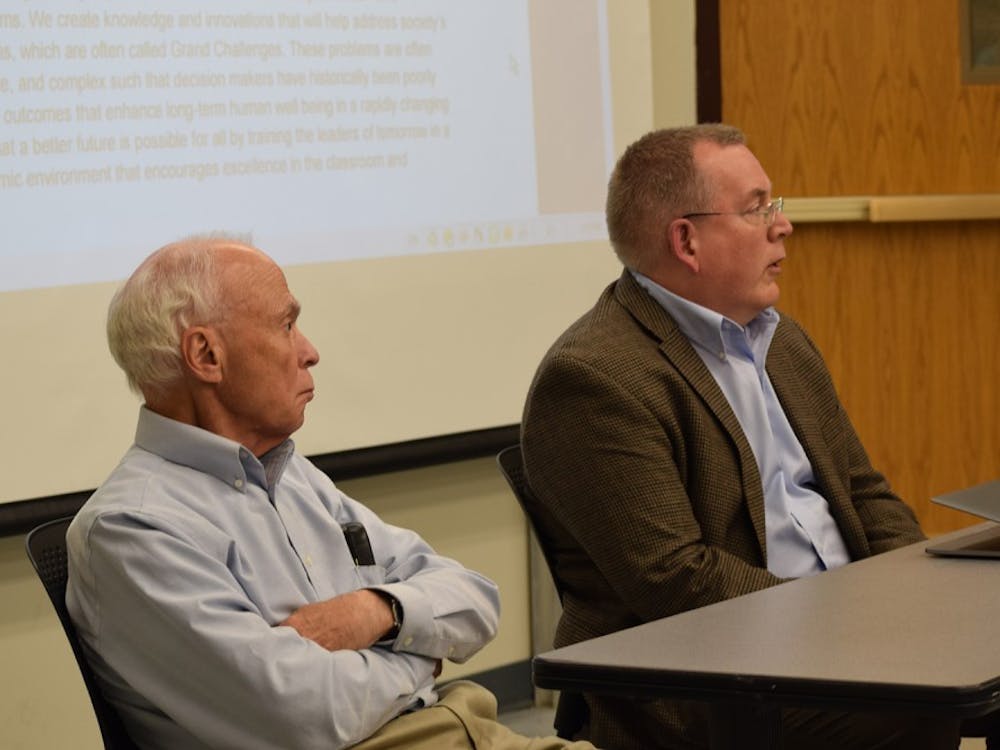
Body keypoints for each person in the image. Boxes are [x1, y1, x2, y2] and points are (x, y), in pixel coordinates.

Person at [520, 125, 980, 749]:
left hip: (850, 642)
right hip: (712, 685)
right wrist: (861, 629)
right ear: (686, 240)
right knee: (921, 705)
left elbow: (863, 492)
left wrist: (919, 602)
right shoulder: (595, 378)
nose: (782, 225)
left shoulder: (780, 340)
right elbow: (677, 580)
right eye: (758, 207)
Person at [67, 236, 598, 750]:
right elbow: (308, 716)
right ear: (206, 355)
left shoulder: (289, 474)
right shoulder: (131, 530)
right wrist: (421, 654)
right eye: (286, 324)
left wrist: (376, 613)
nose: (310, 351)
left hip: (462, 727)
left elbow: (475, 600)